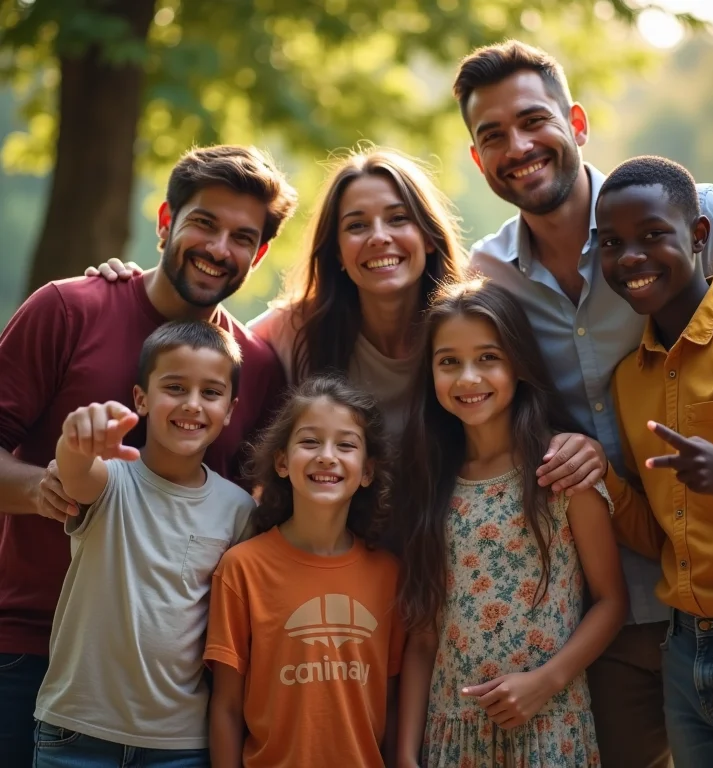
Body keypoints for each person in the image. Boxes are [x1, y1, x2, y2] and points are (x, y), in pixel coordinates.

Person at [453, 39, 713, 767]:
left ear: (579, 123)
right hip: (608, 607)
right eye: (492, 135)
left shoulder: (697, 217)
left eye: (534, 120)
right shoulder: (489, 275)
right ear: (477, 160)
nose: (519, 147)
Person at [0, 144, 295, 767]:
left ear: (260, 254)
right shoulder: (69, 308)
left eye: (242, 236)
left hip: (167, 695)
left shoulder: (257, 368)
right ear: (166, 221)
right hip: (27, 647)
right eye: (204, 223)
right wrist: (48, 490)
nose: (219, 248)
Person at [89, 145, 606, 488]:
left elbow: (541, 415)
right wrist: (130, 284)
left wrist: (580, 445)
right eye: (356, 225)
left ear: (427, 235)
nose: (379, 237)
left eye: (397, 219)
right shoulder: (292, 333)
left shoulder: (474, 322)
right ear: (336, 250)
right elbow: (199, 351)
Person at [397, 279, 628, 767]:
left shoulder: (560, 471)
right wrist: (405, 753)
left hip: (550, 725)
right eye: (448, 362)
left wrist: (546, 682)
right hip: (451, 734)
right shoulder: (430, 483)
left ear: (518, 363)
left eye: (487, 358)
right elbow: (423, 635)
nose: (467, 378)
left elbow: (610, 602)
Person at [596, 156, 713, 768]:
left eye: (653, 236)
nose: (631, 257)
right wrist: (601, 483)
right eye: (612, 244)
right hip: (683, 652)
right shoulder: (627, 381)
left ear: (698, 236)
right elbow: (658, 533)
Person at [33, 321, 256, 766]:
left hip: (180, 745)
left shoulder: (239, 509)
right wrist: (77, 435)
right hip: (75, 733)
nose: (192, 405)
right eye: (174, 387)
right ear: (141, 398)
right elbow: (76, 471)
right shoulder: (111, 480)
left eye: (210, 393)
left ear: (230, 410)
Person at [205, 374, 404, 767]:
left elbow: (392, 702)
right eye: (310, 441)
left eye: (346, 445)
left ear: (367, 471)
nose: (327, 456)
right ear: (282, 461)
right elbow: (226, 708)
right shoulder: (242, 568)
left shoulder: (389, 574)